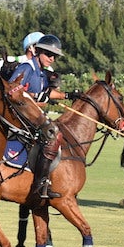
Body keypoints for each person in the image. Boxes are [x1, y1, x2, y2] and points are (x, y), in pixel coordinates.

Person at [11, 34, 78, 200]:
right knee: (51, 138)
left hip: (31, 117)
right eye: (48, 54)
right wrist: (34, 96)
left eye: (54, 56)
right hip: (18, 117)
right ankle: (40, 184)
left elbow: (47, 93)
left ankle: (44, 180)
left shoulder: (41, 72)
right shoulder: (26, 68)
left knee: (55, 135)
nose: (52, 58)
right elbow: (12, 90)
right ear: (37, 51)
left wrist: (68, 95)